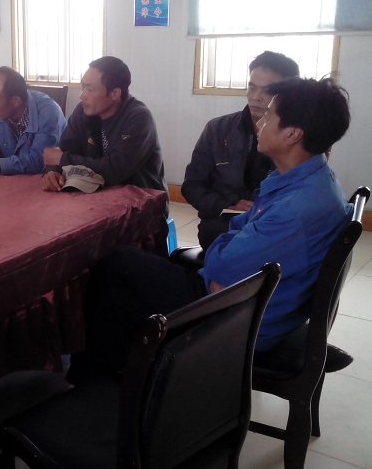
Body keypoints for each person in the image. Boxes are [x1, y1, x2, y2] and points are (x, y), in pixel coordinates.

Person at [70, 77, 352, 381]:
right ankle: (106, 375)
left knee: (115, 264)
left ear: (293, 134)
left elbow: (220, 266)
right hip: (258, 299)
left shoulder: (297, 208)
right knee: (118, 288)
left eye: (270, 116)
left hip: (242, 316)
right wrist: (230, 246)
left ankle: (92, 380)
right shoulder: (310, 179)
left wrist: (223, 255)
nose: (260, 121)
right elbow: (240, 224)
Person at [182, 51, 300, 249]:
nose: (256, 97)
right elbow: (191, 185)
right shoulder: (218, 129)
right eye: (251, 88)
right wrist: (226, 204)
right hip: (221, 227)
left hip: (271, 228)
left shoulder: (294, 136)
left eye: (267, 91)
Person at [41, 56, 167, 194]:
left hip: (142, 197)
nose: (82, 95)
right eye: (83, 87)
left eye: (90, 89)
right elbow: (60, 152)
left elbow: (116, 171)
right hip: (94, 192)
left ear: (114, 93)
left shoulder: (139, 118)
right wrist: (53, 172)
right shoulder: (83, 111)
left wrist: (63, 160)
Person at [0, 66, 67, 177]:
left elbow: (39, 161)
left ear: (15, 101)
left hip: (45, 181)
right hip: (8, 181)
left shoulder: (49, 113)